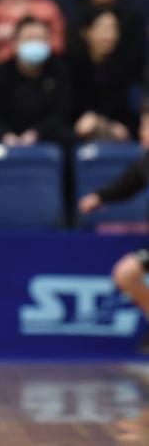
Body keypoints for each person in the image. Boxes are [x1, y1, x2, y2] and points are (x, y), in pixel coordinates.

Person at [78, 105, 149, 352]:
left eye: (145, 126)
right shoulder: (146, 160)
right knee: (125, 274)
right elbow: (128, 182)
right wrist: (99, 196)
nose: (141, 133)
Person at [0, 17, 71, 146]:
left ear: (49, 42)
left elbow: (62, 113)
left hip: (48, 138)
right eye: (28, 39)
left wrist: (37, 132)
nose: (34, 44)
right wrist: (5, 135)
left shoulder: (60, 72)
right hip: (3, 140)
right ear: (15, 43)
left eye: (40, 39)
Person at [71, 10, 139, 142]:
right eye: (102, 28)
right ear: (86, 32)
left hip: (113, 128)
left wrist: (102, 123)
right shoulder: (72, 66)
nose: (108, 35)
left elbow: (122, 109)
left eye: (113, 28)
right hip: (76, 128)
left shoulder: (123, 68)